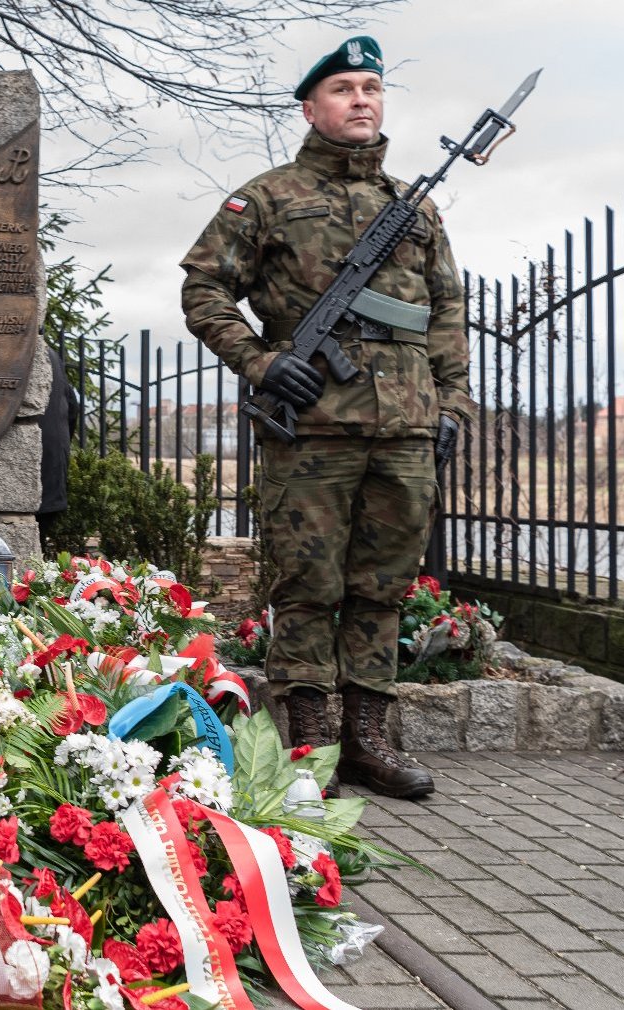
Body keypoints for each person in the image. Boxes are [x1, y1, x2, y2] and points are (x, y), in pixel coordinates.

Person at [178, 36, 468, 798]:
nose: (361, 99)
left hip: (405, 426)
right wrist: (262, 361)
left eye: (371, 87)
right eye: (343, 88)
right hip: (312, 428)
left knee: (385, 586)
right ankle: (311, 746)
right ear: (311, 107)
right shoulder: (266, 197)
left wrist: (454, 403)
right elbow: (203, 288)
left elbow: (446, 311)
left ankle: (368, 741)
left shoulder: (415, 207)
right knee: (306, 585)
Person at [35, 345, 81, 544]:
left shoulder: (27, 348)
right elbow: (72, 407)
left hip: (33, 474)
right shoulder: (50, 353)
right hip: (52, 472)